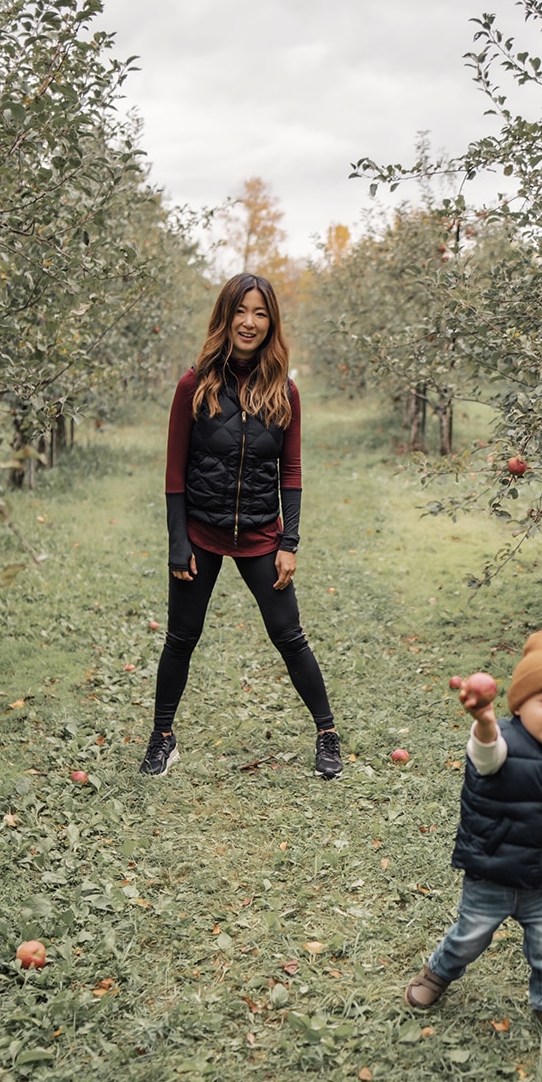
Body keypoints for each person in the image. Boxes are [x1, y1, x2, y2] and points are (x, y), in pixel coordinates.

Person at [139, 273, 342, 781]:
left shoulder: (284, 390)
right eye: (241, 312)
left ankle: (327, 734)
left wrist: (288, 542)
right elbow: (174, 470)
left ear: (271, 322)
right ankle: (162, 737)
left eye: (260, 313)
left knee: (289, 636)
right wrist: (177, 541)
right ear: (225, 317)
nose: (249, 323)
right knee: (181, 638)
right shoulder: (195, 383)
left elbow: (290, 472)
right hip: (201, 533)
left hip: (260, 535)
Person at [404, 628, 542, 1048]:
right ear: (520, 704)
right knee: (469, 936)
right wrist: (485, 722)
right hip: (492, 873)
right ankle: (437, 972)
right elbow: (486, 755)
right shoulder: (502, 743)